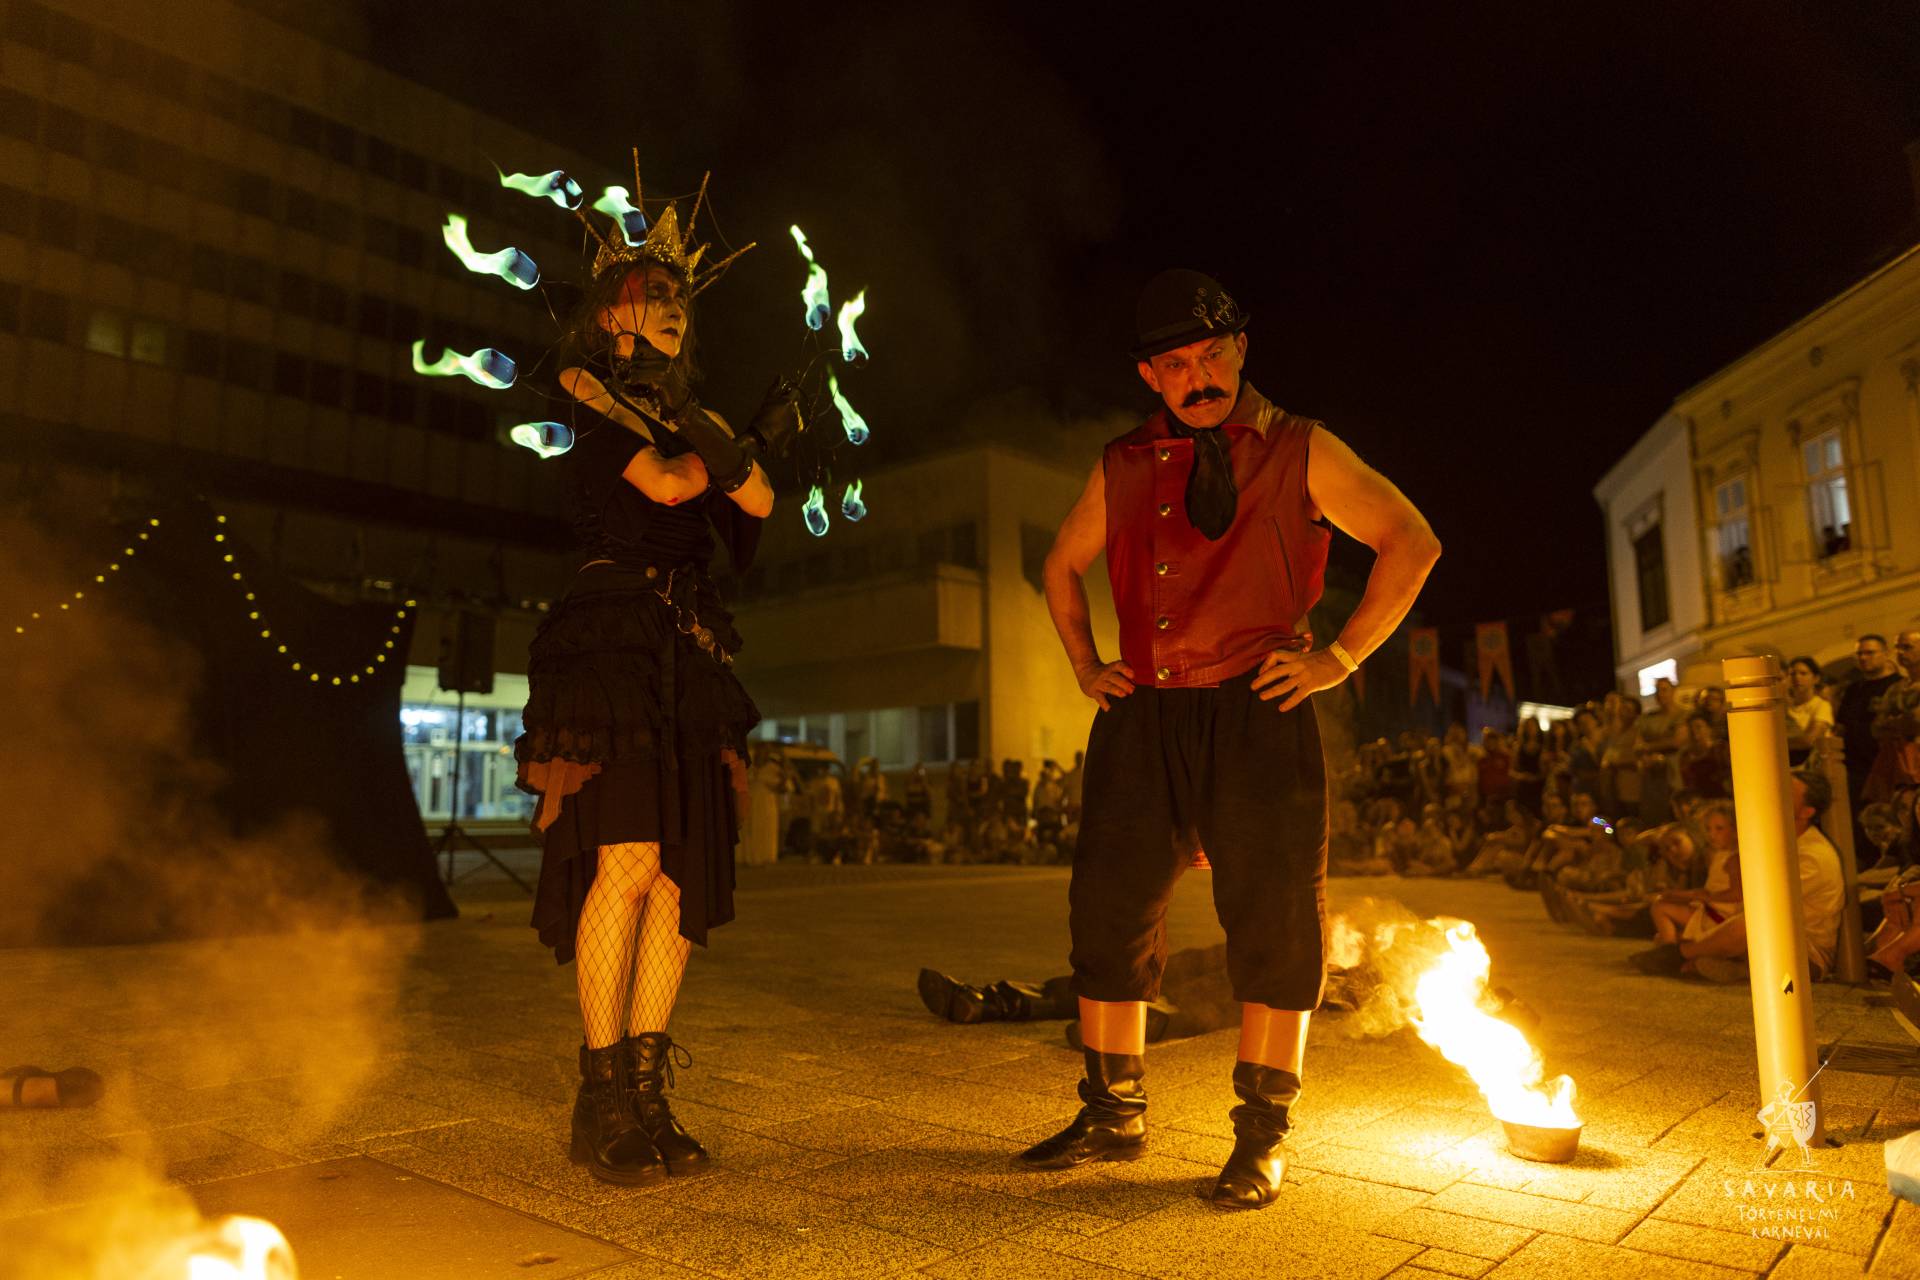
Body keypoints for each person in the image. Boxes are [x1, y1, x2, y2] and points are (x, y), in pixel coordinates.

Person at [1028, 268, 1440, 1209]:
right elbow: (1059, 565)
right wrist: (1088, 665)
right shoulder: (1123, 462)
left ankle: (1262, 1136)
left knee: (1275, 920)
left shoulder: (1300, 446)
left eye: (1212, 354)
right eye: (1175, 364)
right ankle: (1112, 1113)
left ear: (1241, 350)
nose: (1198, 377)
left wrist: (1338, 658)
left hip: (1259, 707)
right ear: (1150, 376)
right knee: (1107, 914)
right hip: (1144, 714)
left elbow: (1411, 540)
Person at [513, 175, 783, 1185]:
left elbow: (762, 503)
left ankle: (648, 1088)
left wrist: (736, 445)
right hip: (613, 643)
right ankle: (599, 1100)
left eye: (678, 296)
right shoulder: (585, 391)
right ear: (607, 312)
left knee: (673, 873)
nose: (670, 305)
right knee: (623, 863)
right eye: (649, 290)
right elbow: (672, 485)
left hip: (687, 648)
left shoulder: (686, 410)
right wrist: (732, 450)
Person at [1636, 776, 1844, 982]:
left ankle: (1678, 955)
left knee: (1751, 924)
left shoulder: (1812, 856)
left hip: (1805, 952)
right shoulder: (1778, 841)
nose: (1774, 795)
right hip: (1767, 938)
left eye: (1786, 793)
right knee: (1702, 930)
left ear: (1806, 812)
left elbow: (1763, 907)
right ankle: (1724, 964)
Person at [1837, 635, 1901, 817]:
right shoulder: (1853, 690)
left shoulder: (1898, 686)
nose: (1863, 658)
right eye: (1859, 654)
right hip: (1856, 770)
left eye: (1870, 653)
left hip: (1888, 768)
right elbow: (1842, 726)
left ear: (1885, 654)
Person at [1866, 631, 1920, 804]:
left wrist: (1892, 723)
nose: (1900, 652)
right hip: (1899, 765)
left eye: (1907, 647)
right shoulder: (1896, 688)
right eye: (1898, 648)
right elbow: (1876, 728)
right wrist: (1900, 722)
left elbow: (1915, 722)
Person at [742, 746, 788, 866]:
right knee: (753, 828)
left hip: (765, 803)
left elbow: (782, 787)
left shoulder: (772, 768)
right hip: (753, 801)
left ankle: (763, 856)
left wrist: (783, 777)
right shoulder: (750, 767)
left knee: (764, 829)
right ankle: (752, 857)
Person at [1783, 656, 1834, 758]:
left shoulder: (1821, 706)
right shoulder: (1785, 707)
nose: (1797, 678)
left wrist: (1779, 743)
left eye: (1803, 673)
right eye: (1793, 674)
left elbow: (1810, 740)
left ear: (1816, 678)